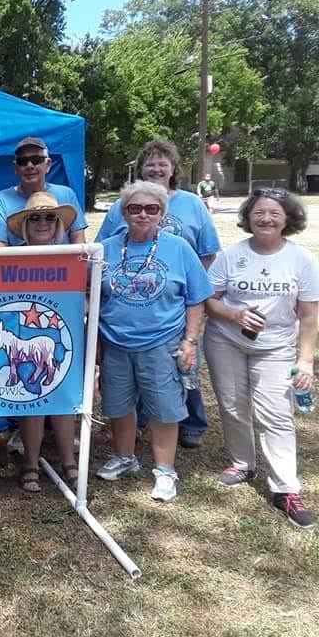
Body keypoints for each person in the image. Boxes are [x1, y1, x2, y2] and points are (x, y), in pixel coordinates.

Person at [204, 189, 318, 528]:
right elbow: (210, 300)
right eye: (259, 213)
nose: (266, 218)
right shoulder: (231, 255)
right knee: (232, 405)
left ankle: (285, 489)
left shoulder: (301, 260)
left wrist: (306, 359)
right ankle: (243, 464)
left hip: (277, 346)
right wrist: (235, 315)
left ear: (288, 219)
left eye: (274, 213)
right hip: (226, 340)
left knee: (276, 414)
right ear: (248, 218)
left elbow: (310, 316)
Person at [97, 139, 221, 448]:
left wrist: (186, 283)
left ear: (173, 168)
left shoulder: (191, 204)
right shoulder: (119, 210)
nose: (156, 168)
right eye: (150, 163)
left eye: (162, 163)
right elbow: (101, 254)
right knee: (128, 382)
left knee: (182, 372)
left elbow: (207, 251)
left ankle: (191, 426)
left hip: (171, 308)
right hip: (124, 320)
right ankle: (132, 435)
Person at [95, 182, 213, 503]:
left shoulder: (178, 248)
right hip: (116, 342)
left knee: (164, 408)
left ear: (162, 213)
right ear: (124, 213)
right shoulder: (104, 248)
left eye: (152, 208)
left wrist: (190, 340)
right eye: (135, 208)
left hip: (162, 342)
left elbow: (196, 299)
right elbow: (90, 297)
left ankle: (165, 471)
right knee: (119, 405)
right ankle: (125, 457)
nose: (143, 214)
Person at [4, 191, 80, 492]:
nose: (43, 223)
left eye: (50, 217)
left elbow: (86, 298)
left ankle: (69, 462)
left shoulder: (75, 257)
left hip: (63, 335)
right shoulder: (7, 258)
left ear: (59, 224)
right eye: (35, 217)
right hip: (26, 340)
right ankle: (31, 463)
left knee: (64, 398)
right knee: (31, 399)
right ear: (25, 224)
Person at [0, 137, 88, 247]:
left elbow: (78, 237)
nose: (30, 166)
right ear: (16, 168)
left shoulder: (66, 194)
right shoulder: (2, 199)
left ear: (48, 165)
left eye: (36, 160)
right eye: (23, 161)